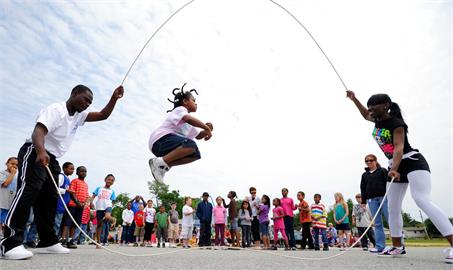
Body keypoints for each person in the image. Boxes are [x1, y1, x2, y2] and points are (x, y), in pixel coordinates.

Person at [0, 84, 123, 259]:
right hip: (35, 151)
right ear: (74, 94)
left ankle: (47, 242)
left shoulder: (79, 116)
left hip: (52, 159)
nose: (87, 104)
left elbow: (103, 115)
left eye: (90, 102)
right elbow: (38, 131)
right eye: (85, 99)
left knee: (49, 199)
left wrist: (114, 98)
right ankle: (9, 243)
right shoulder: (57, 110)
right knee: (28, 191)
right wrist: (41, 151)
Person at [346, 91, 453, 262]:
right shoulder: (377, 119)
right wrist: (354, 99)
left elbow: (398, 147)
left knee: (422, 200)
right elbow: (365, 115)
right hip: (393, 165)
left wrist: (395, 168)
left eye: (374, 107)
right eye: (370, 108)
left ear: (386, 106)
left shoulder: (396, 124)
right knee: (392, 207)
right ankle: (397, 246)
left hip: (412, 162)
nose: (371, 110)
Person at [148, 83, 213, 183]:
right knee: (190, 144)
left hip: (164, 148)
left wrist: (207, 130)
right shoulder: (180, 110)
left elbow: (198, 136)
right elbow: (188, 118)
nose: (196, 103)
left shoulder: (189, 125)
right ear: (185, 101)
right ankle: (159, 162)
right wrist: (206, 128)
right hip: (159, 140)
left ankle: (164, 165)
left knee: (195, 153)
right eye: (194, 101)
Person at [360, 154, 389, 253]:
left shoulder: (383, 171)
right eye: (366, 161)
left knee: (390, 220)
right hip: (371, 200)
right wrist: (363, 201)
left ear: (375, 161)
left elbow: (389, 184)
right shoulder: (365, 175)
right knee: (377, 223)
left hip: (384, 198)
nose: (369, 162)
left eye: (371, 160)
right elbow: (363, 188)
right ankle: (379, 246)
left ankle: (398, 245)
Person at [61, 166, 90, 249]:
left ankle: (71, 240)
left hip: (80, 207)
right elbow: (72, 192)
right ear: (77, 173)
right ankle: (63, 239)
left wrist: (85, 203)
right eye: (81, 171)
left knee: (75, 223)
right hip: (72, 205)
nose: (83, 173)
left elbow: (86, 196)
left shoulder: (85, 184)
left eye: (85, 171)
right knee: (67, 222)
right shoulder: (74, 181)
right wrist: (77, 202)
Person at [92, 174, 116, 248]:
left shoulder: (112, 191)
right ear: (105, 180)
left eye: (112, 180)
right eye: (109, 179)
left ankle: (113, 219)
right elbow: (93, 196)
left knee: (107, 216)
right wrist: (90, 202)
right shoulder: (99, 188)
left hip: (108, 206)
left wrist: (111, 207)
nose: (110, 181)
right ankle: (98, 242)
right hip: (99, 207)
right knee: (99, 225)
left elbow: (113, 201)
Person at [54, 162, 74, 239]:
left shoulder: (68, 179)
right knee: (56, 223)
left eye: (73, 169)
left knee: (59, 223)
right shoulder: (61, 177)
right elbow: (55, 188)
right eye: (70, 169)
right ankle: (53, 239)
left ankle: (57, 238)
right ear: (64, 169)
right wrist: (66, 191)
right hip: (59, 204)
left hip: (64, 205)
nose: (72, 171)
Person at [0, 157, 18, 237]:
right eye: (12, 163)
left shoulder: (17, 177)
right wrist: (12, 173)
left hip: (9, 204)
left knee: (6, 222)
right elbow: (5, 184)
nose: (14, 166)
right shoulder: (2, 173)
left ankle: (3, 237)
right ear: (7, 163)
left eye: (16, 165)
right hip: (1, 202)